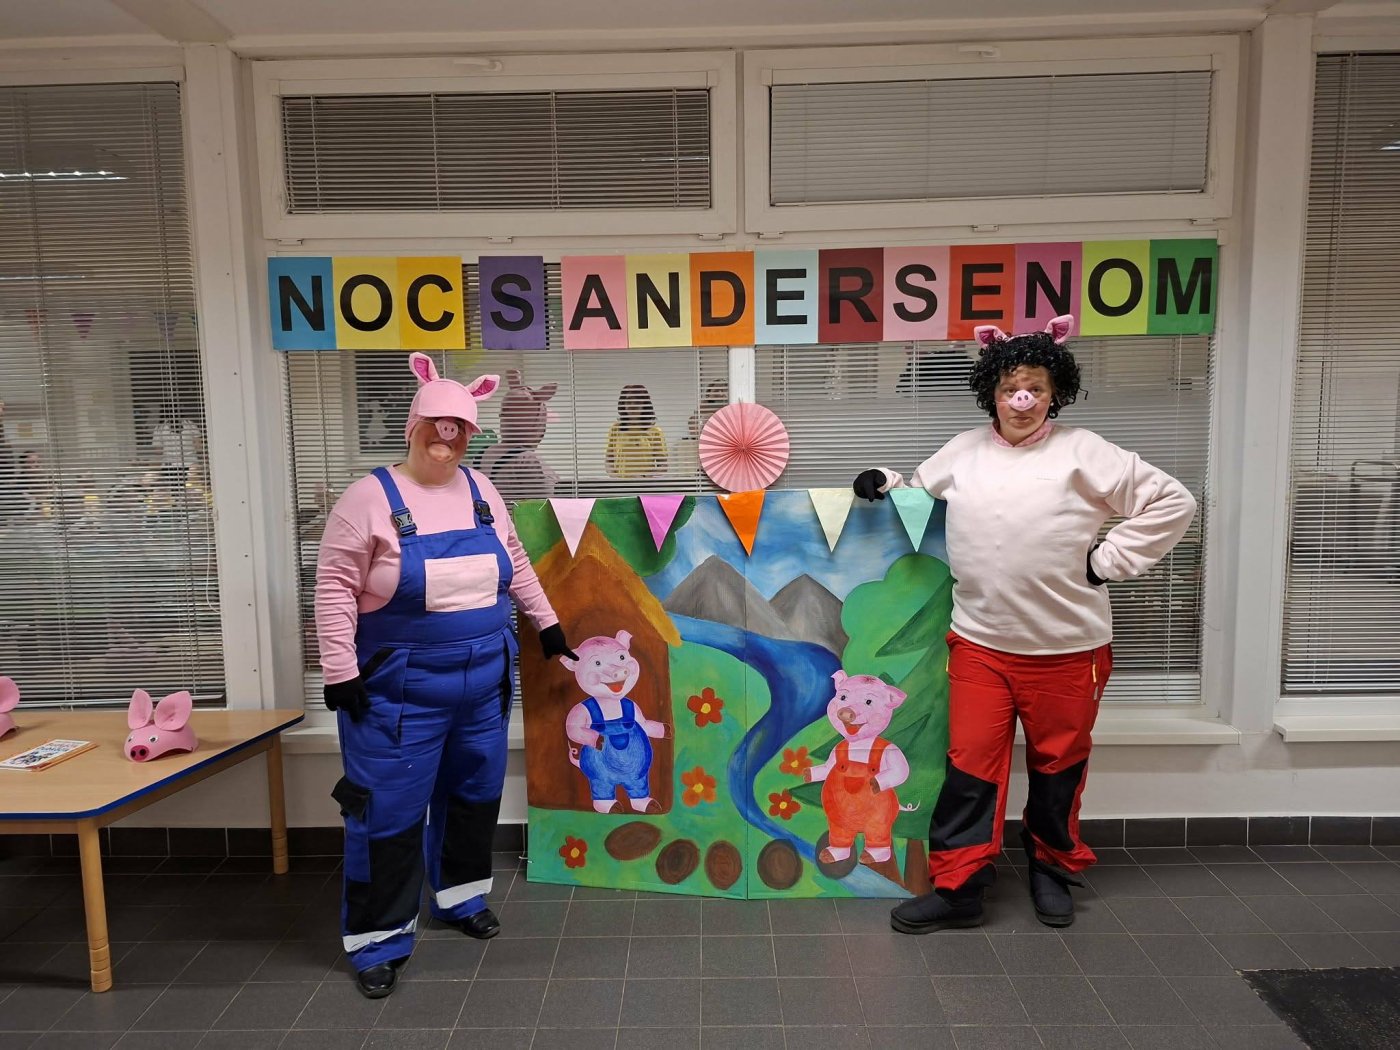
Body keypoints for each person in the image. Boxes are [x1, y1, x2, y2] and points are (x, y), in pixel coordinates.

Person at [852, 315, 1196, 933]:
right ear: (991, 390)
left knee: (1057, 768)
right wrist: (885, 480)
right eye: (1011, 387)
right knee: (969, 769)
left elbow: (1174, 500)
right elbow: (919, 494)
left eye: (1035, 388)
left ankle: (1051, 870)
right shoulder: (962, 451)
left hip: (1069, 651)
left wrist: (1108, 561)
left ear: (1054, 392)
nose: (1022, 400)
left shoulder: (1085, 452)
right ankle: (959, 887)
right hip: (980, 646)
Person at [315, 352, 577, 1000]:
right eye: (436, 425)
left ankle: (461, 897)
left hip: (483, 683)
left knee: (474, 797)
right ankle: (377, 940)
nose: (447, 437)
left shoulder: (482, 490)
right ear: (414, 426)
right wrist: (340, 668)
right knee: (388, 813)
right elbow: (334, 587)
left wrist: (546, 623)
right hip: (398, 692)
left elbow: (514, 561)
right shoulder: (368, 499)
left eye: (459, 428)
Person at [604, 384, 668, 479]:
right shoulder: (616, 429)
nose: (632, 405)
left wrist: (644, 477)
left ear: (644, 404)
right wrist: (617, 479)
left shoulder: (655, 431)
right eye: (629, 401)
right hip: (621, 484)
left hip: (644, 484)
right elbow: (608, 461)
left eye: (637, 401)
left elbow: (663, 465)